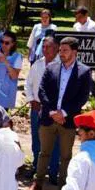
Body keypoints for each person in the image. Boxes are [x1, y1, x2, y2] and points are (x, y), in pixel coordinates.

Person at [29, 36, 93, 190]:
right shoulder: (51, 68)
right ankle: (38, 183)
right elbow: (42, 91)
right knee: (43, 153)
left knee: (65, 156)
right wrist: (52, 111)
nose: (61, 53)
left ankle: (62, 188)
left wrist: (63, 112)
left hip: (68, 120)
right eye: (60, 50)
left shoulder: (84, 72)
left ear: (74, 52)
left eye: (65, 50)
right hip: (48, 118)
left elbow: (82, 97)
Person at [24, 35, 59, 180]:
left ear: (57, 48)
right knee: (36, 138)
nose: (45, 50)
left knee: (55, 140)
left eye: (48, 47)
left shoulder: (61, 66)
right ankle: (36, 166)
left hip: (54, 110)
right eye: (43, 47)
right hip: (37, 108)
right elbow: (28, 84)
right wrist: (32, 100)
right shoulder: (37, 64)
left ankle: (53, 171)